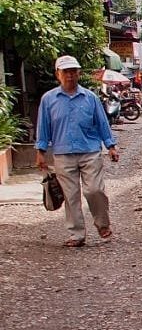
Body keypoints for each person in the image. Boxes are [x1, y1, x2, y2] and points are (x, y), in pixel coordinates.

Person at [35, 55, 120, 247]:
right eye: (66, 72)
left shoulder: (90, 98)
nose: (70, 76)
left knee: (94, 190)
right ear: (58, 74)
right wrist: (40, 151)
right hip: (63, 153)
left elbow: (102, 124)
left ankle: (103, 224)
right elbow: (43, 127)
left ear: (79, 73)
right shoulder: (49, 100)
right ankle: (76, 234)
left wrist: (111, 147)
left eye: (73, 71)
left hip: (90, 151)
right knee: (70, 195)